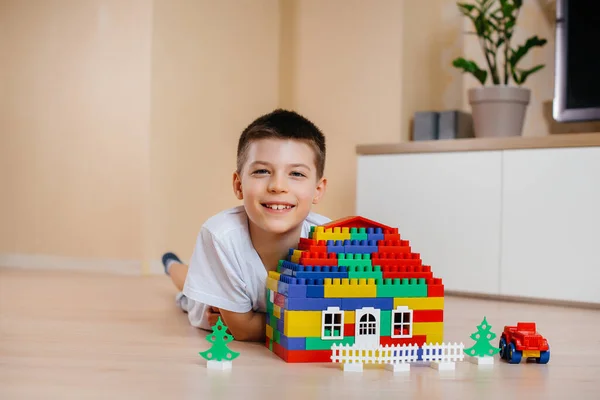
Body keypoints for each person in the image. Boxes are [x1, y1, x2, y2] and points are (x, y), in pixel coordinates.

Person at [161, 109, 331, 342]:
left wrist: (251, 322)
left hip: (246, 305)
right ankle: (171, 264)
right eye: (262, 171)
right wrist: (309, 321)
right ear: (239, 185)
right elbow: (243, 331)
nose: (278, 186)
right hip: (212, 301)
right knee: (187, 284)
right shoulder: (220, 236)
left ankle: (173, 264)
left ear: (317, 190)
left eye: (297, 173)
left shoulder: (331, 240)